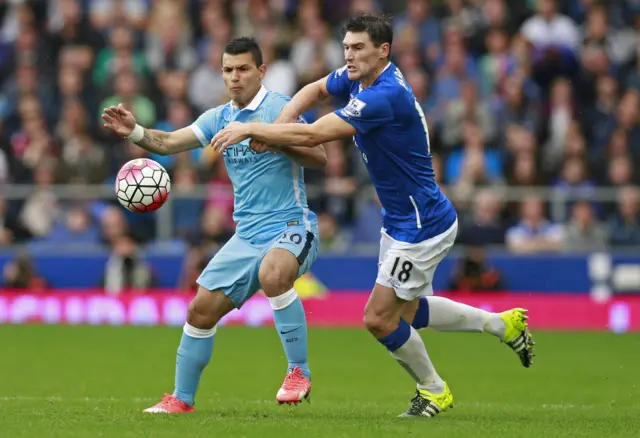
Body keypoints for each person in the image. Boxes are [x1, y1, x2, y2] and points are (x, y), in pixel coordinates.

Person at [212, 14, 535, 418]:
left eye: (358, 47)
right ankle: (502, 326)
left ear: (383, 51)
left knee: (378, 318)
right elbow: (313, 89)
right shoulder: (357, 77)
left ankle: (434, 390)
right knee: (411, 312)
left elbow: (314, 135)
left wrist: (252, 131)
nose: (349, 55)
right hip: (403, 219)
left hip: (421, 225)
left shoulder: (383, 95)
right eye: (346, 47)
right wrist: (276, 125)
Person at [101, 37, 326, 413]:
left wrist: (263, 134)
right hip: (247, 236)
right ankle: (181, 399)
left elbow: (318, 155)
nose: (234, 78)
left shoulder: (280, 109)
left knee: (274, 274)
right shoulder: (219, 117)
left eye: (242, 69)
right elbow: (170, 142)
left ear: (261, 71)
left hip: (292, 224)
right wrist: (137, 132)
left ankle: (298, 372)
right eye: (227, 70)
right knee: (199, 311)